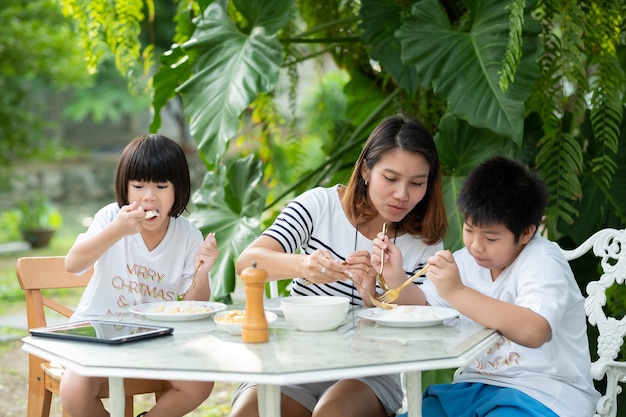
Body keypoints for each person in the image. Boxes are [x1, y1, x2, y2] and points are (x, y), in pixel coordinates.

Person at [230, 113, 448, 417]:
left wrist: (384, 286)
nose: (402, 195)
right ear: (366, 171)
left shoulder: (423, 240)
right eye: (391, 178)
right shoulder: (320, 206)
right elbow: (247, 263)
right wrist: (304, 265)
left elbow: (428, 318)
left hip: (369, 371)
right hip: (295, 358)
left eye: (416, 183)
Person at [373, 156, 600, 416]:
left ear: (526, 232)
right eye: (469, 230)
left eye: (491, 237)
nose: (476, 246)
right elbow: (424, 306)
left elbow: (534, 330)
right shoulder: (465, 261)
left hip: (543, 394)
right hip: (474, 388)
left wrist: (457, 292)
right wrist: (396, 278)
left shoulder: (543, 262)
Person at [59, 134, 219, 417]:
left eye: (161, 186)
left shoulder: (187, 234)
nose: (149, 196)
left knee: (200, 384)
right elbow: (73, 264)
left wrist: (202, 272)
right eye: (138, 186)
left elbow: (197, 304)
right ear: (125, 188)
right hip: (99, 331)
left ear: (178, 189)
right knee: (74, 393)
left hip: (156, 337)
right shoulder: (111, 218)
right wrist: (117, 231)